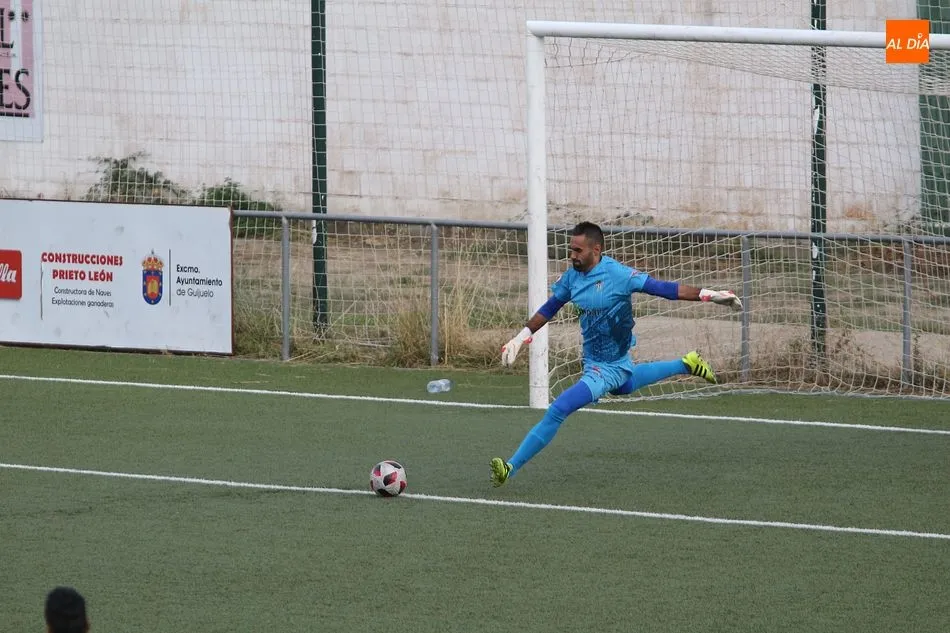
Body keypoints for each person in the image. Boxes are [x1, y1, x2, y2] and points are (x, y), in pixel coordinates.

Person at [489, 221, 742, 487]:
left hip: (606, 367)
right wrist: (520, 337)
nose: (572, 255)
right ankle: (686, 364)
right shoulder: (572, 277)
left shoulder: (619, 275)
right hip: (595, 359)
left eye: (578, 250)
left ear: (596, 250)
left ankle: (509, 467)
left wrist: (709, 295)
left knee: (559, 409)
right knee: (625, 385)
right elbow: (550, 307)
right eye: (571, 249)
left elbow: (665, 289)